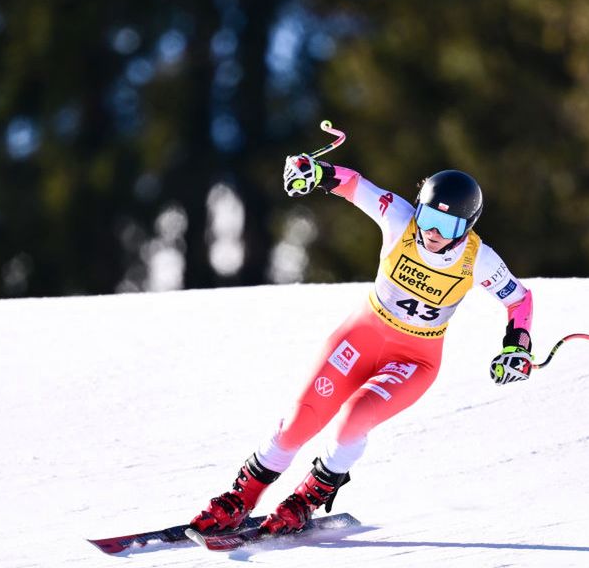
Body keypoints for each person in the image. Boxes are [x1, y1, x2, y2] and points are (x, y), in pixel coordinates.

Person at [190, 153, 535, 536]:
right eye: (428, 218)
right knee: (299, 421)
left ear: (466, 227)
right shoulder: (400, 219)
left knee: (355, 418)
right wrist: (315, 171)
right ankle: (243, 495)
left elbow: (519, 300)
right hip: (362, 336)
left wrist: (516, 346)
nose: (432, 232)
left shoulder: (478, 259)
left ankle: (306, 499)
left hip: (414, 360)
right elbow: (355, 185)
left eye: (446, 224)